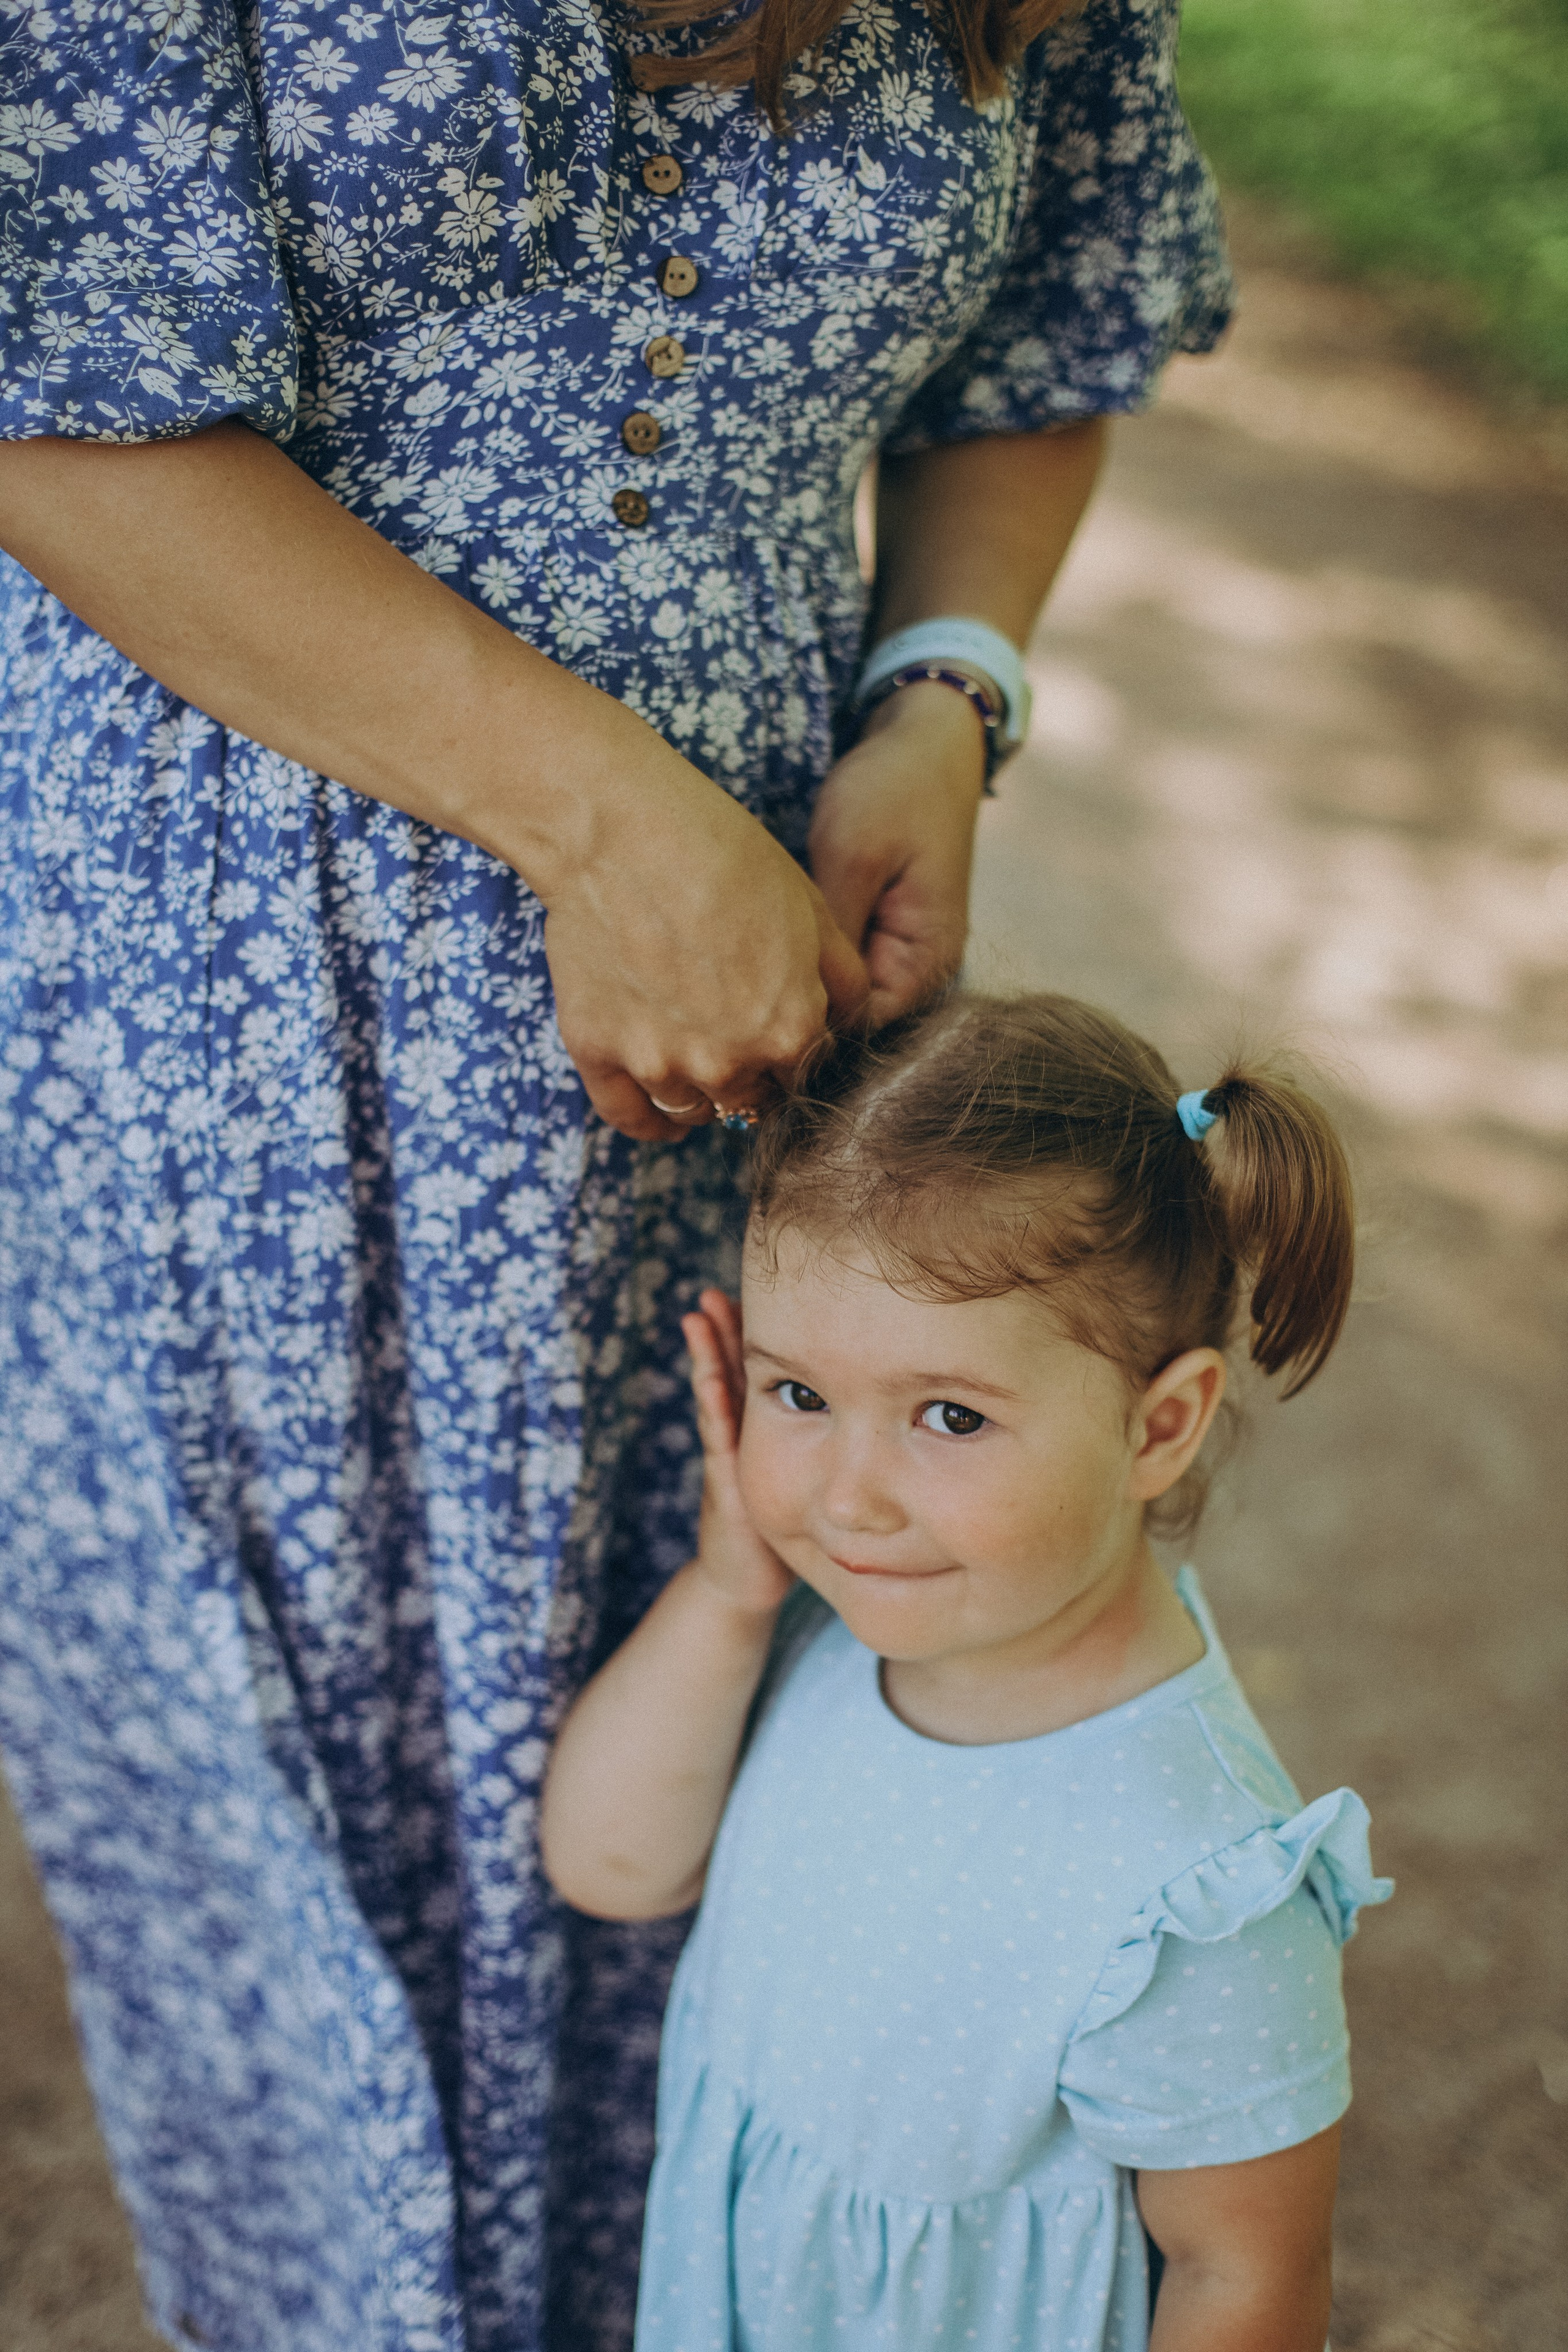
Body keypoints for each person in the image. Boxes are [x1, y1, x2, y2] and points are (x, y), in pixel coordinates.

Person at [0, 0, 1231, 2343]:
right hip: (224, 1000)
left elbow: (1056, 317)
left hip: (737, 1022)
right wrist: (594, 819)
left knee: (718, 1649)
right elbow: (52, 390)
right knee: (314, 1796)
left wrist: (941, 690)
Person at [542, 992, 1393, 2352]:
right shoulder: (825, 1634)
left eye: (948, 1415)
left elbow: (1245, 2276)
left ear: (1157, 1426)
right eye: (799, 1396)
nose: (848, 1497)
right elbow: (605, 1863)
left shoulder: (1195, 1889)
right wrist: (726, 1587)